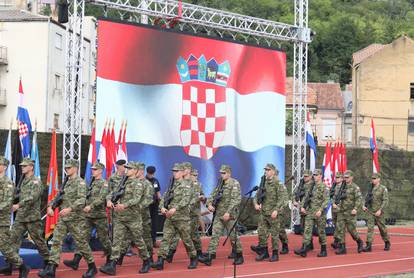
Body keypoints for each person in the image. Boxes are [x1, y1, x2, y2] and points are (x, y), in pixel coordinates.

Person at [38, 159, 97, 278]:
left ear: (75, 168)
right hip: (63, 218)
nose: (66, 170)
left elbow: (82, 200)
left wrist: (70, 209)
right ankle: (52, 269)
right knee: (56, 242)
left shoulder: (80, 183)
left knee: (81, 244)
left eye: (69, 168)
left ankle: (92, 267)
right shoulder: (66, 182)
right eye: (66, 168)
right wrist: (50, 206)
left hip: (76, 218)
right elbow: (58, 196)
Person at [99, 162, 151, 275]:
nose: (127, 170)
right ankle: (112, 265)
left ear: (136, 171)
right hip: (119, 217)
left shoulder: (138, 184)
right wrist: (108, 200)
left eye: (130, 168)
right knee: (117, 241)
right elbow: (112, 193)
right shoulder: (122, 182)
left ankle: (146, 261)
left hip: (133, 218)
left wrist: (125, 205)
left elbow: (136, 199)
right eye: (126, 168)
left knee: (139, 241)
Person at [63, 162, 112, 270]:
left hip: (99, 216)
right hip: (88, 216)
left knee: (104, 239)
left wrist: (91, 206)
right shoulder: (91, 183)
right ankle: (76, 261)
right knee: (82, 238)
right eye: (92, 169)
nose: (92, 171)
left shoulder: (104, 183)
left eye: (95, 169)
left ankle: (110, 259)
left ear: (100, 171)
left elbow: (101, 198)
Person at [152, 163, 198, 270]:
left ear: (182, 173)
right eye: (173, 171)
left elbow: (186, 200)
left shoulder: (187, 184)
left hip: (182, 218)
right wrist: (162, 207)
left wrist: (175, 208)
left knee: (187, 240)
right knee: (166, 239)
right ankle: (160, 260)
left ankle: (193, 258)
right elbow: (164, 197)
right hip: (170, 217)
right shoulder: (172, 184)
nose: (174, 173)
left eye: (176, 171)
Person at [198, 165, 243, 266]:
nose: (222, 175)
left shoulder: (234, 183)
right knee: (215, 235)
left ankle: (239, 255)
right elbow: (213, 195)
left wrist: (228, 212)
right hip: (219, 214)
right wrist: (209, 204)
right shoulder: (220, 183)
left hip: (230, 215)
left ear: (229, 173)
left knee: (233, 236)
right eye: (221, 173)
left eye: (224, 173)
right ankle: (210, 256)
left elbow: (236, 200)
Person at [10, 158, 50, 265]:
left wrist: (18, 205)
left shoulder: (36, 181)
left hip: (32, 217)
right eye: (22, 166)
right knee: (13, 239)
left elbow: (33, 197)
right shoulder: (23, 181)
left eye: (25, 166)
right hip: (21, 217)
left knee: (38, 241)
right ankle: (10, 264)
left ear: (31, 167)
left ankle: (49, 263)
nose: (22, 167)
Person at [165, 163, 205, 263]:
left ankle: (198, 254)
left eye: (188, 169)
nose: (186, 171)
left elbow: (197, 196)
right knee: (175, 235)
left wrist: (202, 198)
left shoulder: (195, 183)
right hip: (181, 214)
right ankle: (170, 254)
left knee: (192, 235)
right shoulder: (176, 182)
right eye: (185, 169)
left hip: (193, 212)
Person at [0, 156, 30, 278]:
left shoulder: (7, 183)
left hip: (2, 220)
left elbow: (7, 202)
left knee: (4, 247)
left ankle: (22, 266)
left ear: (4, 167)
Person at [251, 163, 287, 262]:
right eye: (265, 170)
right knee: (261, 233)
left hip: (273, 214)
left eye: (268, 170)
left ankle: (275, 253)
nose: (266, 171)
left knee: (275, 234)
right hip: (263, 213)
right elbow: (256, 196)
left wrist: (276, 210)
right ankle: (264, 252)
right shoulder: (264, 183)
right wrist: (256, 204)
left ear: (273, 171)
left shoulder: (278, 183)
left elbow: (283, 199)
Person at [294, 169, 329, 257]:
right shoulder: (311, 186)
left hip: (319, 213)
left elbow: (326, 200)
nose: (315, 176)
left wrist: (320, 210)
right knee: (307, 230)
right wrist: (302, 207)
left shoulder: (324, 187)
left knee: (321, 232)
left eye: (316, 175)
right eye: (314, 175)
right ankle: (304, 248)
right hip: (309, 212)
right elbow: (306, 198)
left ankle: (323, 250)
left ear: (321, 176)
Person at [333, 170, 364, 255]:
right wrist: (334, 204)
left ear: (351, 178)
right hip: (341, 212)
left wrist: (355, 209)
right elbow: (334, 196)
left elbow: (359, 199)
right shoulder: (340, 187)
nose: (345, 179)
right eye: (345, 177)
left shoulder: (355, 187)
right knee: (340, 230)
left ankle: (359, 242)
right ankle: (343, 248)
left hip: (350, 212)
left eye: (347, 177)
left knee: (352, 230)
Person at [362, 173, 390, 252]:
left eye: (375, 179)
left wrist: (380, 210)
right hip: (370, 212)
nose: (373, 180)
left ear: (379, 179)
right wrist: (364, 205)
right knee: (370, 229)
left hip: (379, 212)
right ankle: (368, 245)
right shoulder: (370, 188)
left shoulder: (383, 188)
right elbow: (366, 198)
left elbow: (385, 201)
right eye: (372, 179)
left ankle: (387, 242)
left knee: (382, 229)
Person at [137, 163, 155, 261]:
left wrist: (138, 206)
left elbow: (149, 199)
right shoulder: (132, 182)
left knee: (146, 236)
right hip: (132, 215)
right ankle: (117, 259)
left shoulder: (147, 183)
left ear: (141, 171)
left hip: (143, 215)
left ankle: (150, 256)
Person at [146, 166, 161, 247]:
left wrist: (161, 203)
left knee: (154, 223)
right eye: (149, 173)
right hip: (145, 205)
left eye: (152, 173)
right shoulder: (143, 180)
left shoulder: (155, 181)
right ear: (147, 172)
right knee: (146, 223)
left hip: (154, 205)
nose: (151, 175)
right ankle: (145, 242)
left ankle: (153, 240)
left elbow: (158, 193)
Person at [330, 172, 343, 249]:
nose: (336, 179)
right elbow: (330, 196)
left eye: (338, 177)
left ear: (342, 178)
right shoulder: (334, 186)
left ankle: (338, 241)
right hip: (334, 209)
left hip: (341, 209)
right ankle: (337, 240)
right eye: (336, 177)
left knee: (339, 226)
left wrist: (338, 205)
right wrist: (332, 204)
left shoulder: (344, 187)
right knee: (335, 225)